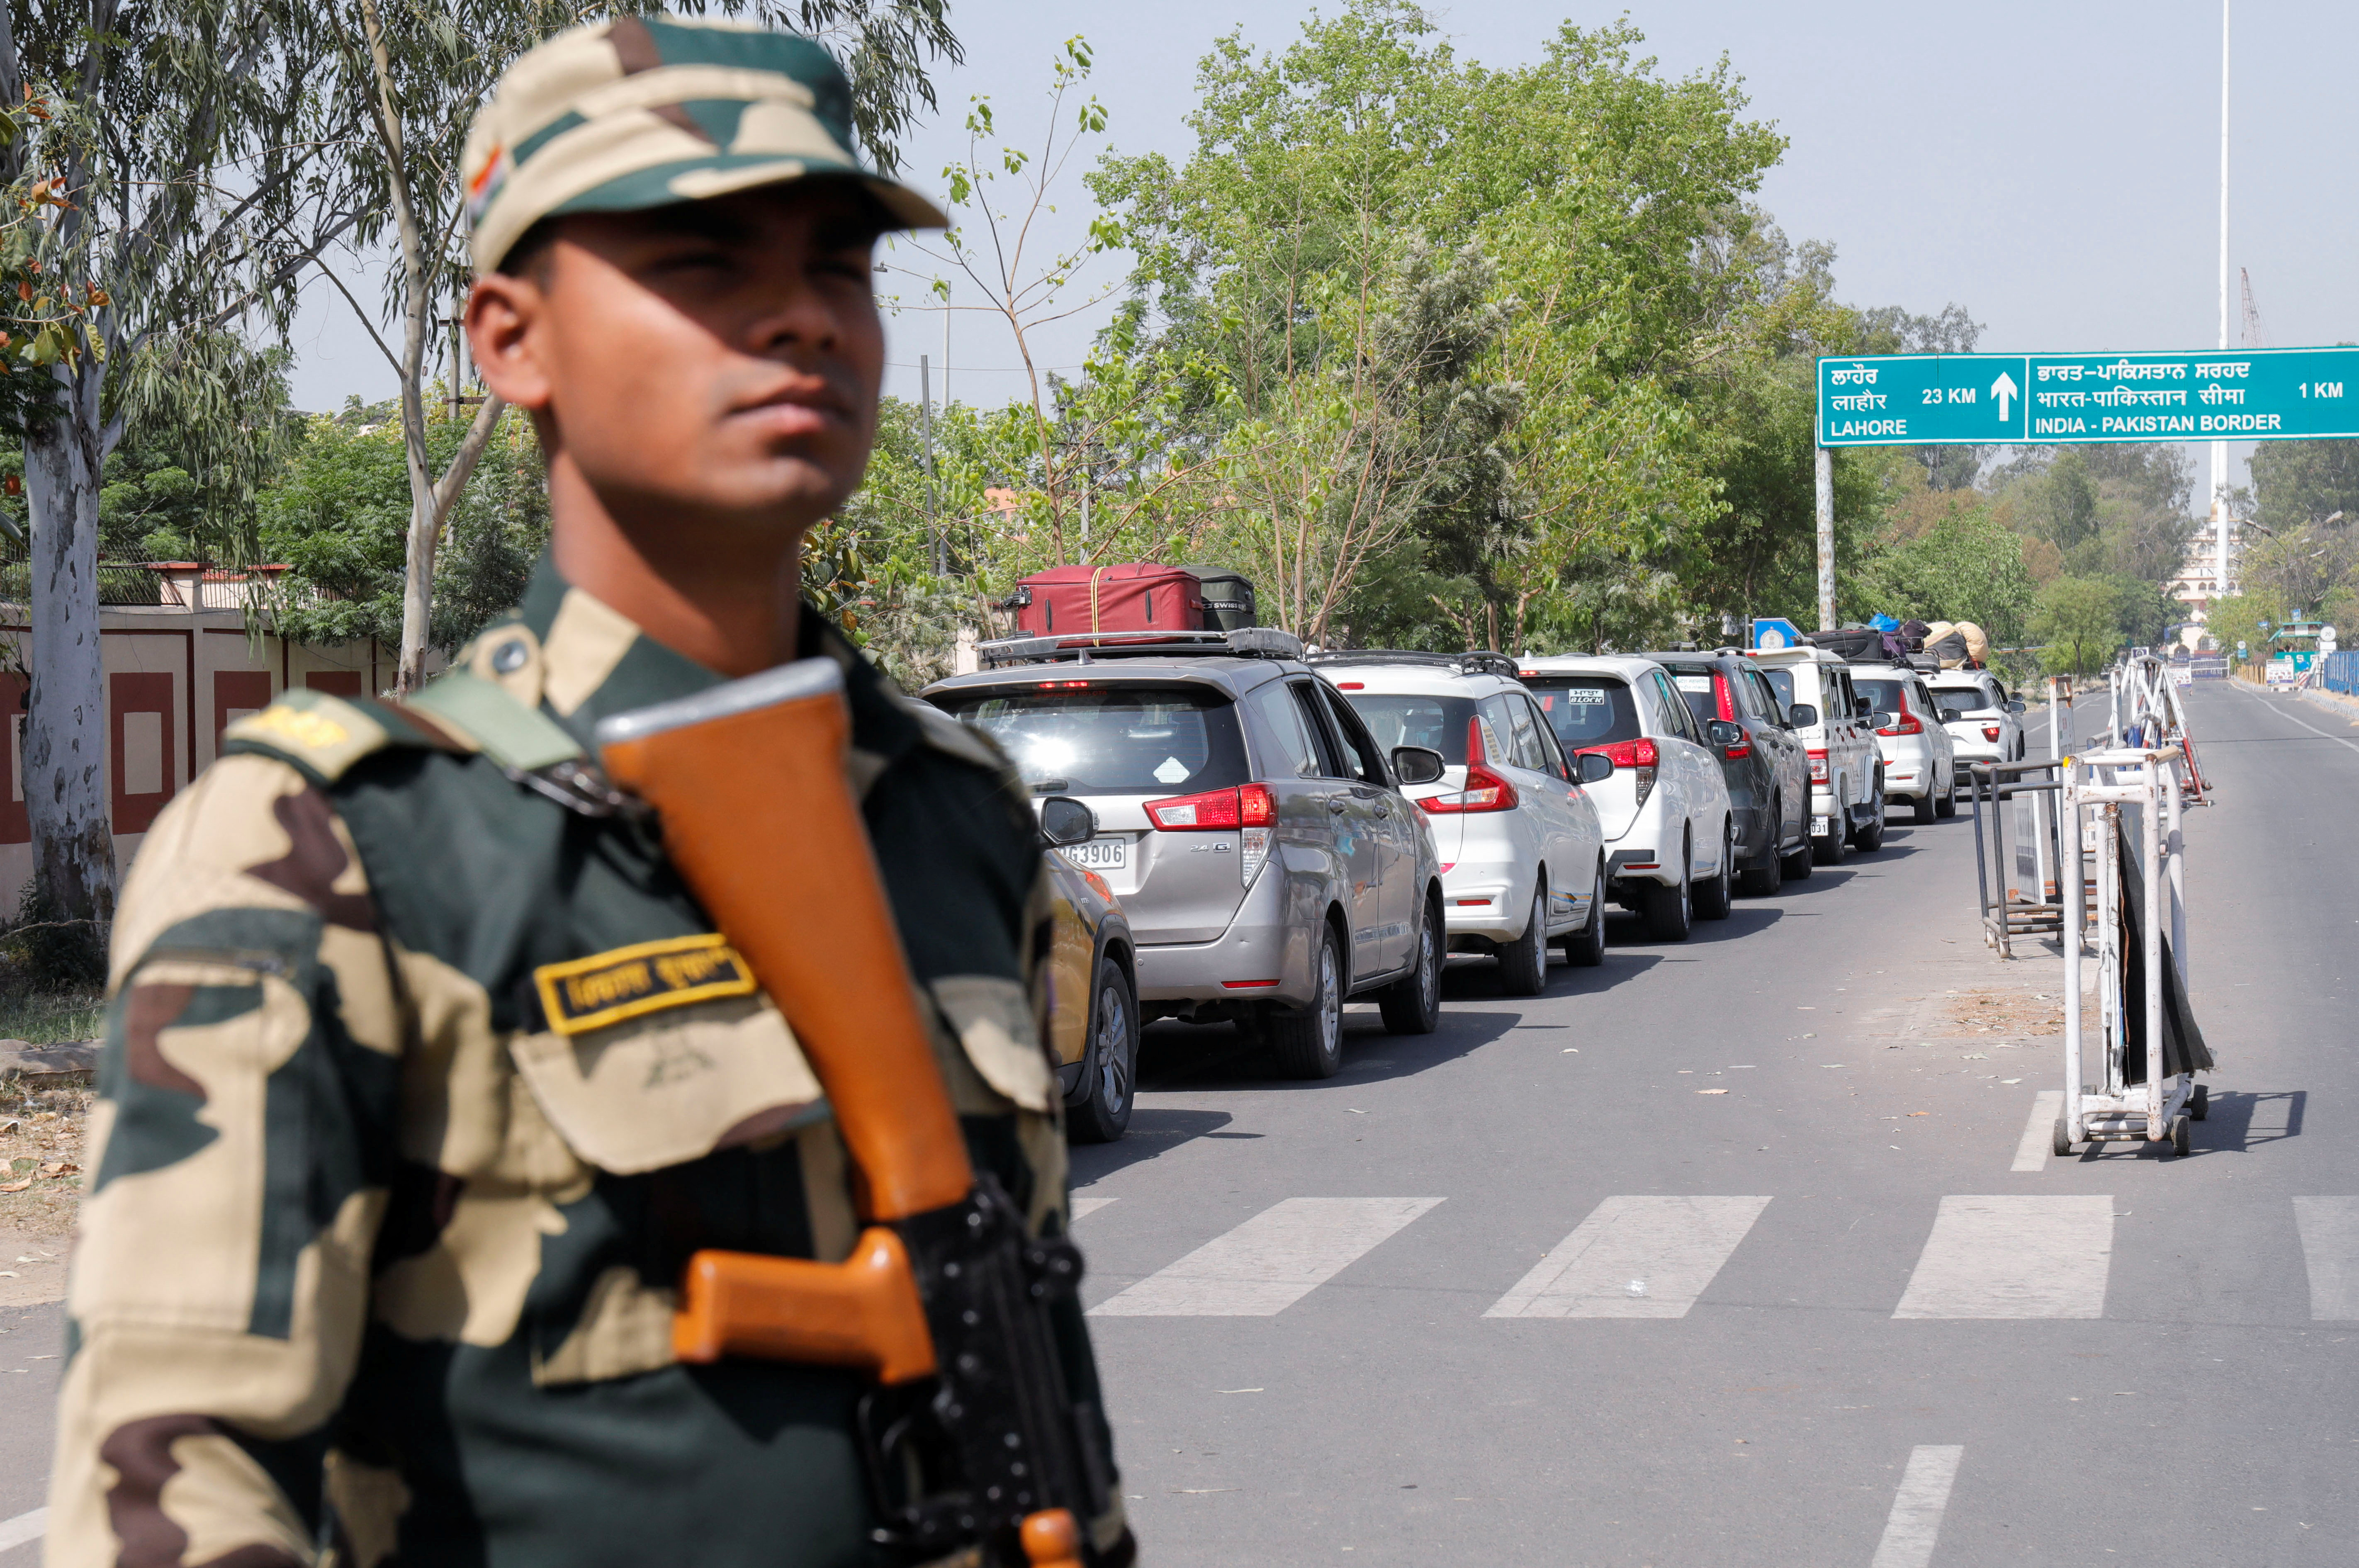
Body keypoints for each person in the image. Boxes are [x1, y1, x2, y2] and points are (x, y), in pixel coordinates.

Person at [47, 16, 1129, 1566]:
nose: (801, 321)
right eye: (703, 266)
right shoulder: (340, 840)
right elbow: (172, 1480)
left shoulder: (953, 811)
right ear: (511, 340)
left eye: (838, 266)